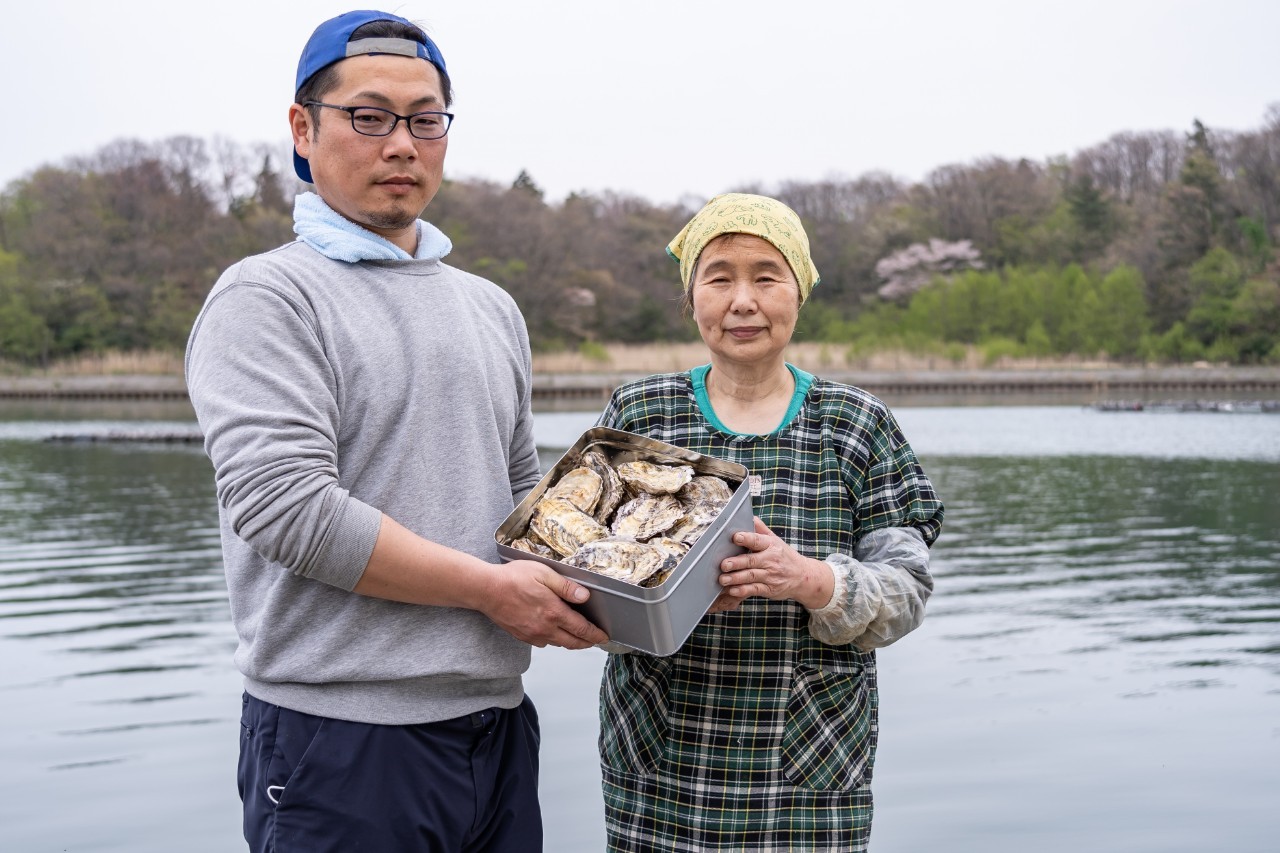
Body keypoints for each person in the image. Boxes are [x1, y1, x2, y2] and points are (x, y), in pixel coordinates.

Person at [184, 10, 607, 852]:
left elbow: (527, 505)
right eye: (369, 117)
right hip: (338, 738)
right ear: (303, 129)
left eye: (425, 120)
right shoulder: (266, 297)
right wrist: (491, 591)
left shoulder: (491, 306)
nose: (402, 144)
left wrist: (638, 577)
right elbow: (288, 512)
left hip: (495, 727)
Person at [593, 193, 944, 851]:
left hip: (809, 775)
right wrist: (672, 593)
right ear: (692, 297)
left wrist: (811, 580)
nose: (742, 300)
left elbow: (906, 590)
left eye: (766, 275)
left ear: (799, 292)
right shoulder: (639, 413)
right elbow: (585, 577)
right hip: (662, 768)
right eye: (719, 276)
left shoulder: (856, 425)